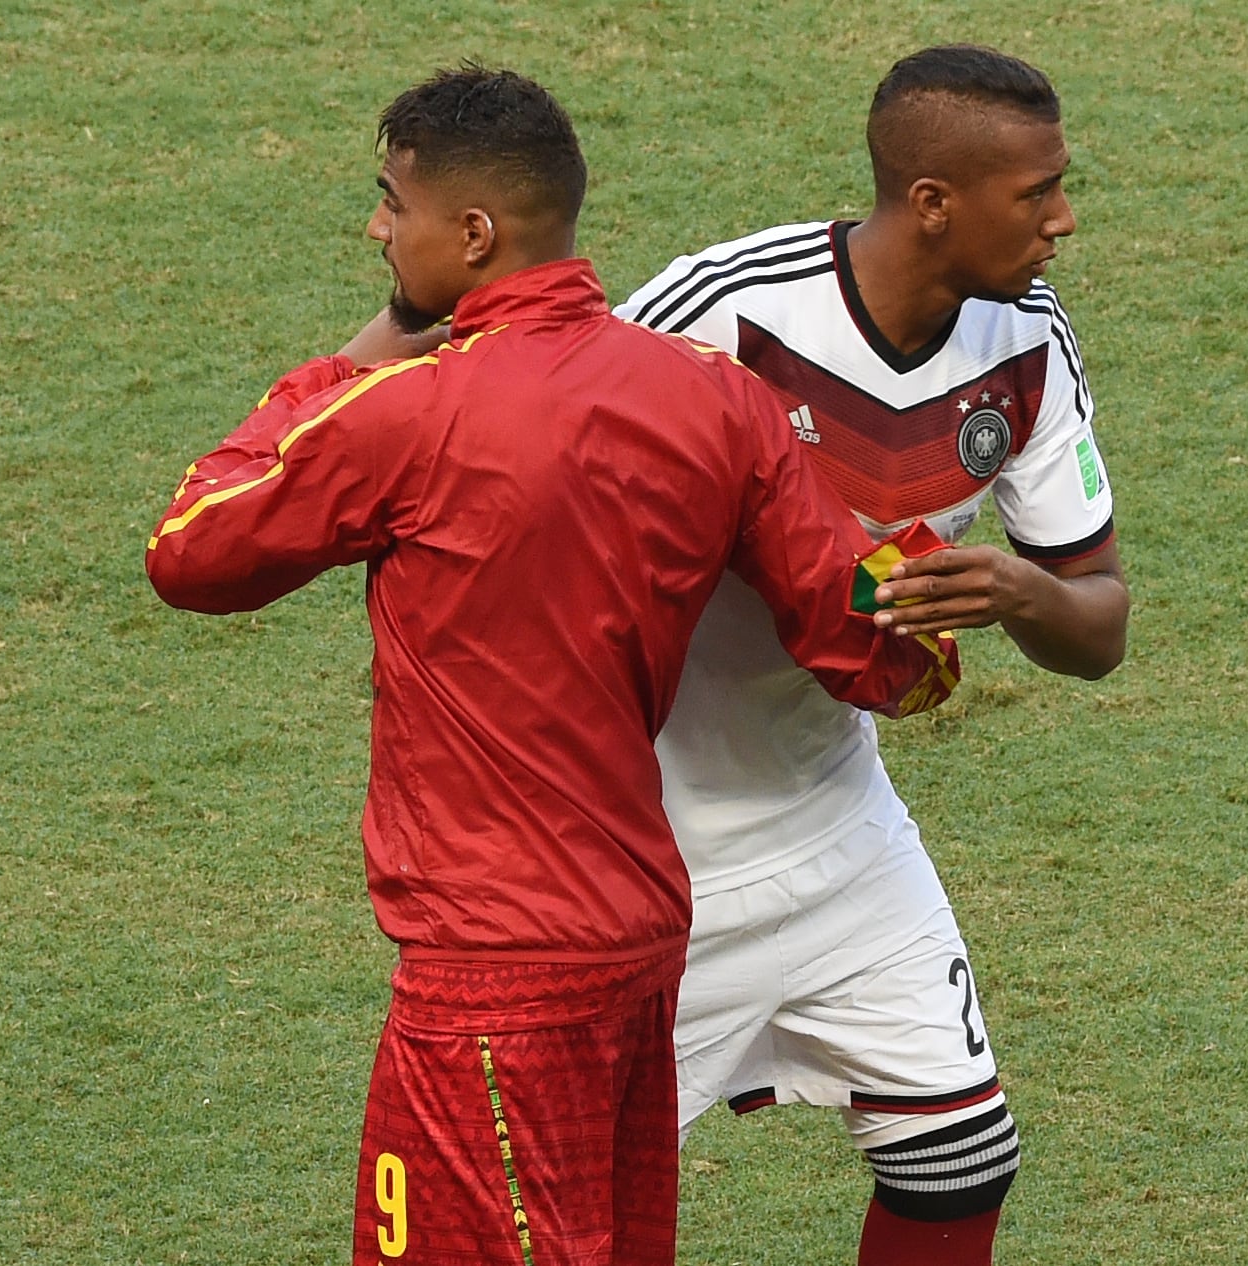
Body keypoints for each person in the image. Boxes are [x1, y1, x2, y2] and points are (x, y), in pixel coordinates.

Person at [144, 65, 957, 1266]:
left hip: (493, 969)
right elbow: (875, 650)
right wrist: (960, 610)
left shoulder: (408, 413)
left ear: (473, 233)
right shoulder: (716, 399)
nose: (377, 229)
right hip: (641, 937)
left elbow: (191, 551)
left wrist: (353, 361)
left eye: (391, 203)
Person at [612, 44, 1130, 1266]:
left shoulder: (1026, 340)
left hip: (838, 833)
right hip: (646, 857)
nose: (1063, 219)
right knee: (589, 1201)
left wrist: (1015, 591)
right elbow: (544, 467)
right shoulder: (723, 308)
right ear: (934, 202)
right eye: (1037, 191)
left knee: (959, 1164)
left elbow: (1100, 623)